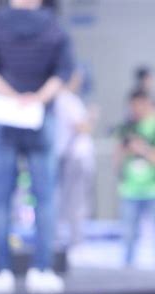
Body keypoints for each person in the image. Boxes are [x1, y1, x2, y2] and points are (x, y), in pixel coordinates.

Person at [0, 0, 73, 294]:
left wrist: (13, 95)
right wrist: (37, 98)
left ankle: (0, 270)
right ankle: (42, 269)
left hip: (4, 117)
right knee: (45, 199)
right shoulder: (54, 27)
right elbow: (63, 73)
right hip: (40, 117)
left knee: (1, 200)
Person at [114, 90, 155, 268]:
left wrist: (143, 150)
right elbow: (116, 165)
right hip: (130, 190)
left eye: (138, 105)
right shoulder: (126, 127)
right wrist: (124, 151)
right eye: (132, 106)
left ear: (147, 103)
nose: (135, 110)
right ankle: (126, 277)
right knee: (128, 238)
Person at [54, 69, 96, 245]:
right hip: (73, 157)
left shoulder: (71, 99)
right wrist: (92, 117)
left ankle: (72, 239)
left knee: (76, 200)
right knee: (74, 202)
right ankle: (73, 241)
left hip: (76, 157)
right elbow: (81, 127)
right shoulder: (65, 99)